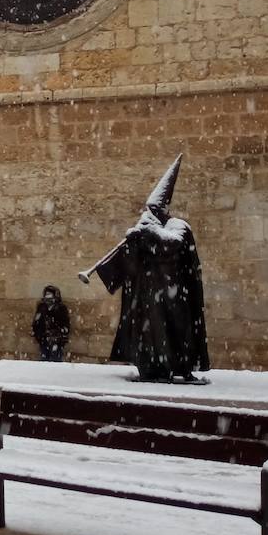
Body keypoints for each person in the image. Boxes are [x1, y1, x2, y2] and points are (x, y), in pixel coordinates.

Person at [79, 154, 210, 382]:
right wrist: (132, 242)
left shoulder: (177, 225)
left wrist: (150, 231)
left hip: (174, 293)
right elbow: (132, 262)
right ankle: (150, 369)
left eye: (155, 210)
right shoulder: (148, 227)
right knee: (148, 334)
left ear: (163, 209)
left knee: (178, 332)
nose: (150, 214)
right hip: (148, 295)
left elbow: (174, 243)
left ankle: (181, 368)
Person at [31, 284, 70, 362]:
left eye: (50, 296)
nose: (48, 299)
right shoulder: (42, 307)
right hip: (44, 339)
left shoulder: (60, 308)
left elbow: (65, 324)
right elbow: (37, 322)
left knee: (56, 360)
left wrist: (60, 333)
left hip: (57, 340)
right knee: (44, 359)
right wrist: (38, 334)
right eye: (47, 296)